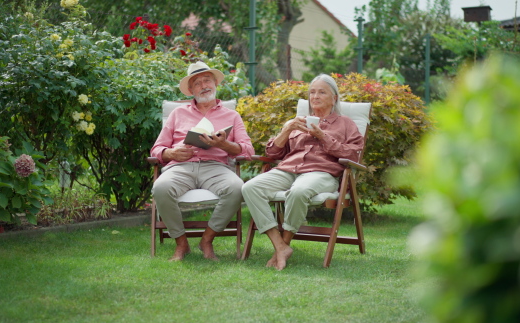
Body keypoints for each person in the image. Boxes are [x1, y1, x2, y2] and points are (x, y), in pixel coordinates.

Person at [241, 74, 364, 270]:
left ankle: (284, 243)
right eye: (312, 92)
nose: (315, 96)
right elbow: (272, 153)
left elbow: (353, 155)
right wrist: (286, 130)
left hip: (321, 173)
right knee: (250, 188)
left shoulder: (345, 123)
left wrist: (322, 136)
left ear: (334, 98)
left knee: (298, 191)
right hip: (288, 170)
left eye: (322, 92)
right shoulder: (297, 122)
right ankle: (280, 246)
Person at [151, 61, 254, 261]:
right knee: (161, 188)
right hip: (181, 166)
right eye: (197, 83)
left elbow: (248, 150)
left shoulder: (232, 115)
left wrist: (225, 145)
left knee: (236, 188)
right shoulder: (177, 113)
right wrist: (172, 153)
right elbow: (156, 149)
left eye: (207, 80)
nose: (204, 86)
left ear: (216, 83)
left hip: (215, 167)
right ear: (190, 90)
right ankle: (182, 244)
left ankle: (206, 240)